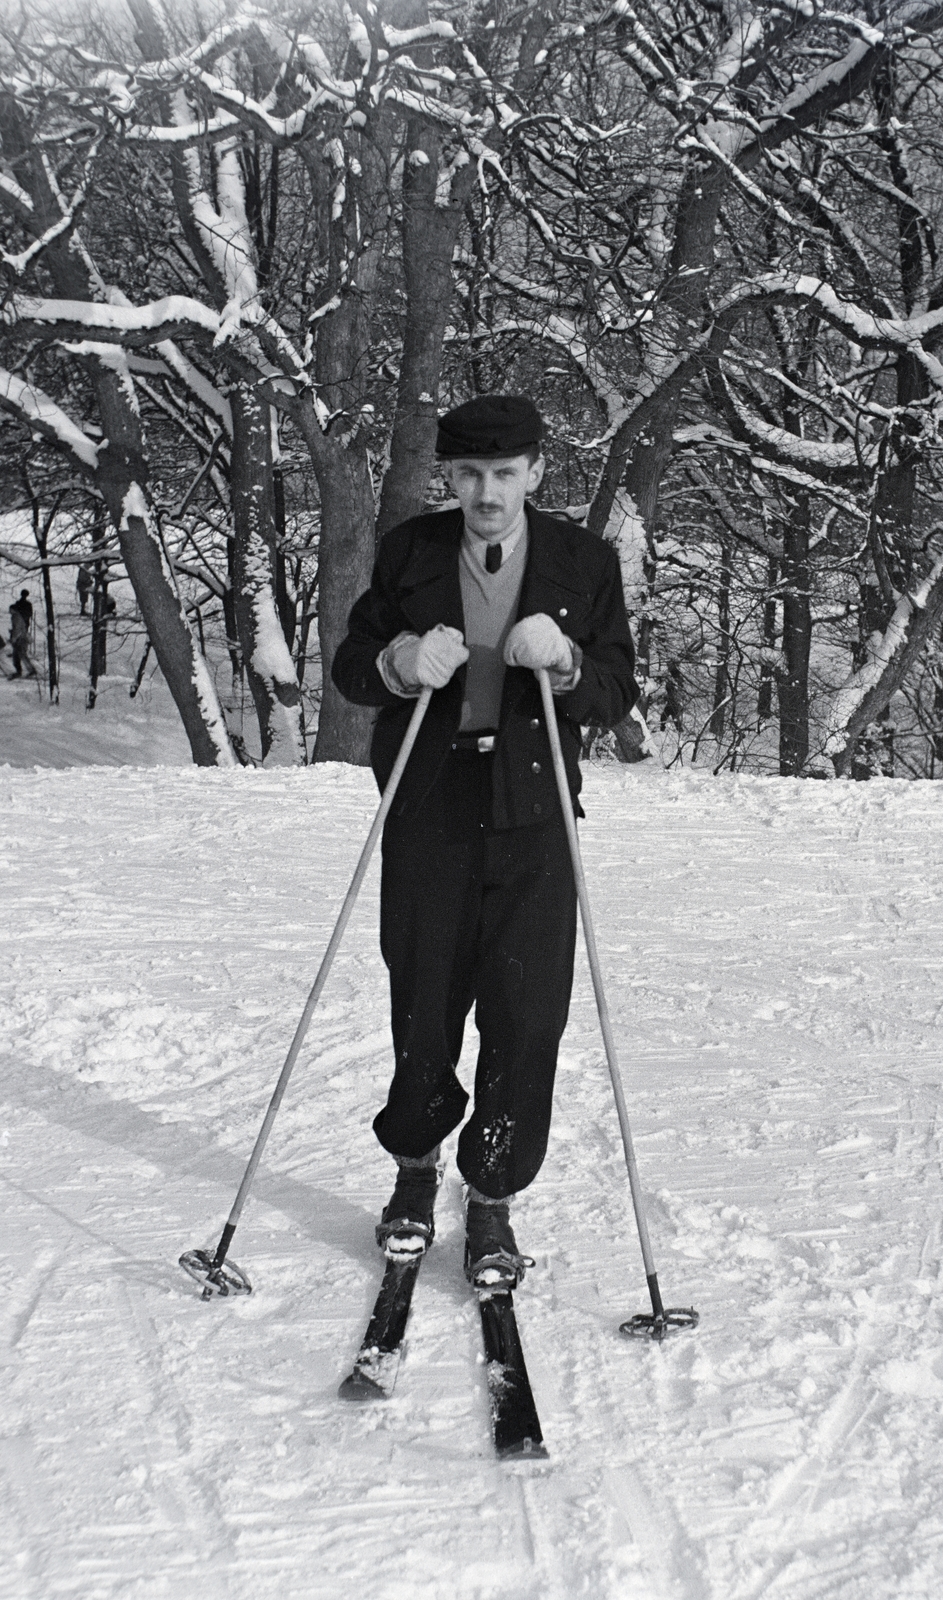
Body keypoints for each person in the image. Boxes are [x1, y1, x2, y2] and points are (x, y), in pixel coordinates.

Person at [332, 395, 638, 1288]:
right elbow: (354, 664)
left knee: (527, 1012)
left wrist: (571, 662)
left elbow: (615, 688)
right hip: (431, 802)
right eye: (470, 475)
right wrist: (396, 663)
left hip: (535, 809)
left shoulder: (585, 564)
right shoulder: (411, 552)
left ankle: (494, 1194)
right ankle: (417, 1168)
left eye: (506, 474)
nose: (488, 493)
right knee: (425, 997)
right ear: (451, 477)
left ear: (537, 471)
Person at [8, 590, 36, 679]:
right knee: (20, 654)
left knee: (19, 654)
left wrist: (13, 638)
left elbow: (17, 628)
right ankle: (27, 670)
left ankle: (24, 671)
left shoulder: (16, 614)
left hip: (20, 637)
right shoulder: (26, 605)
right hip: (23, 632)